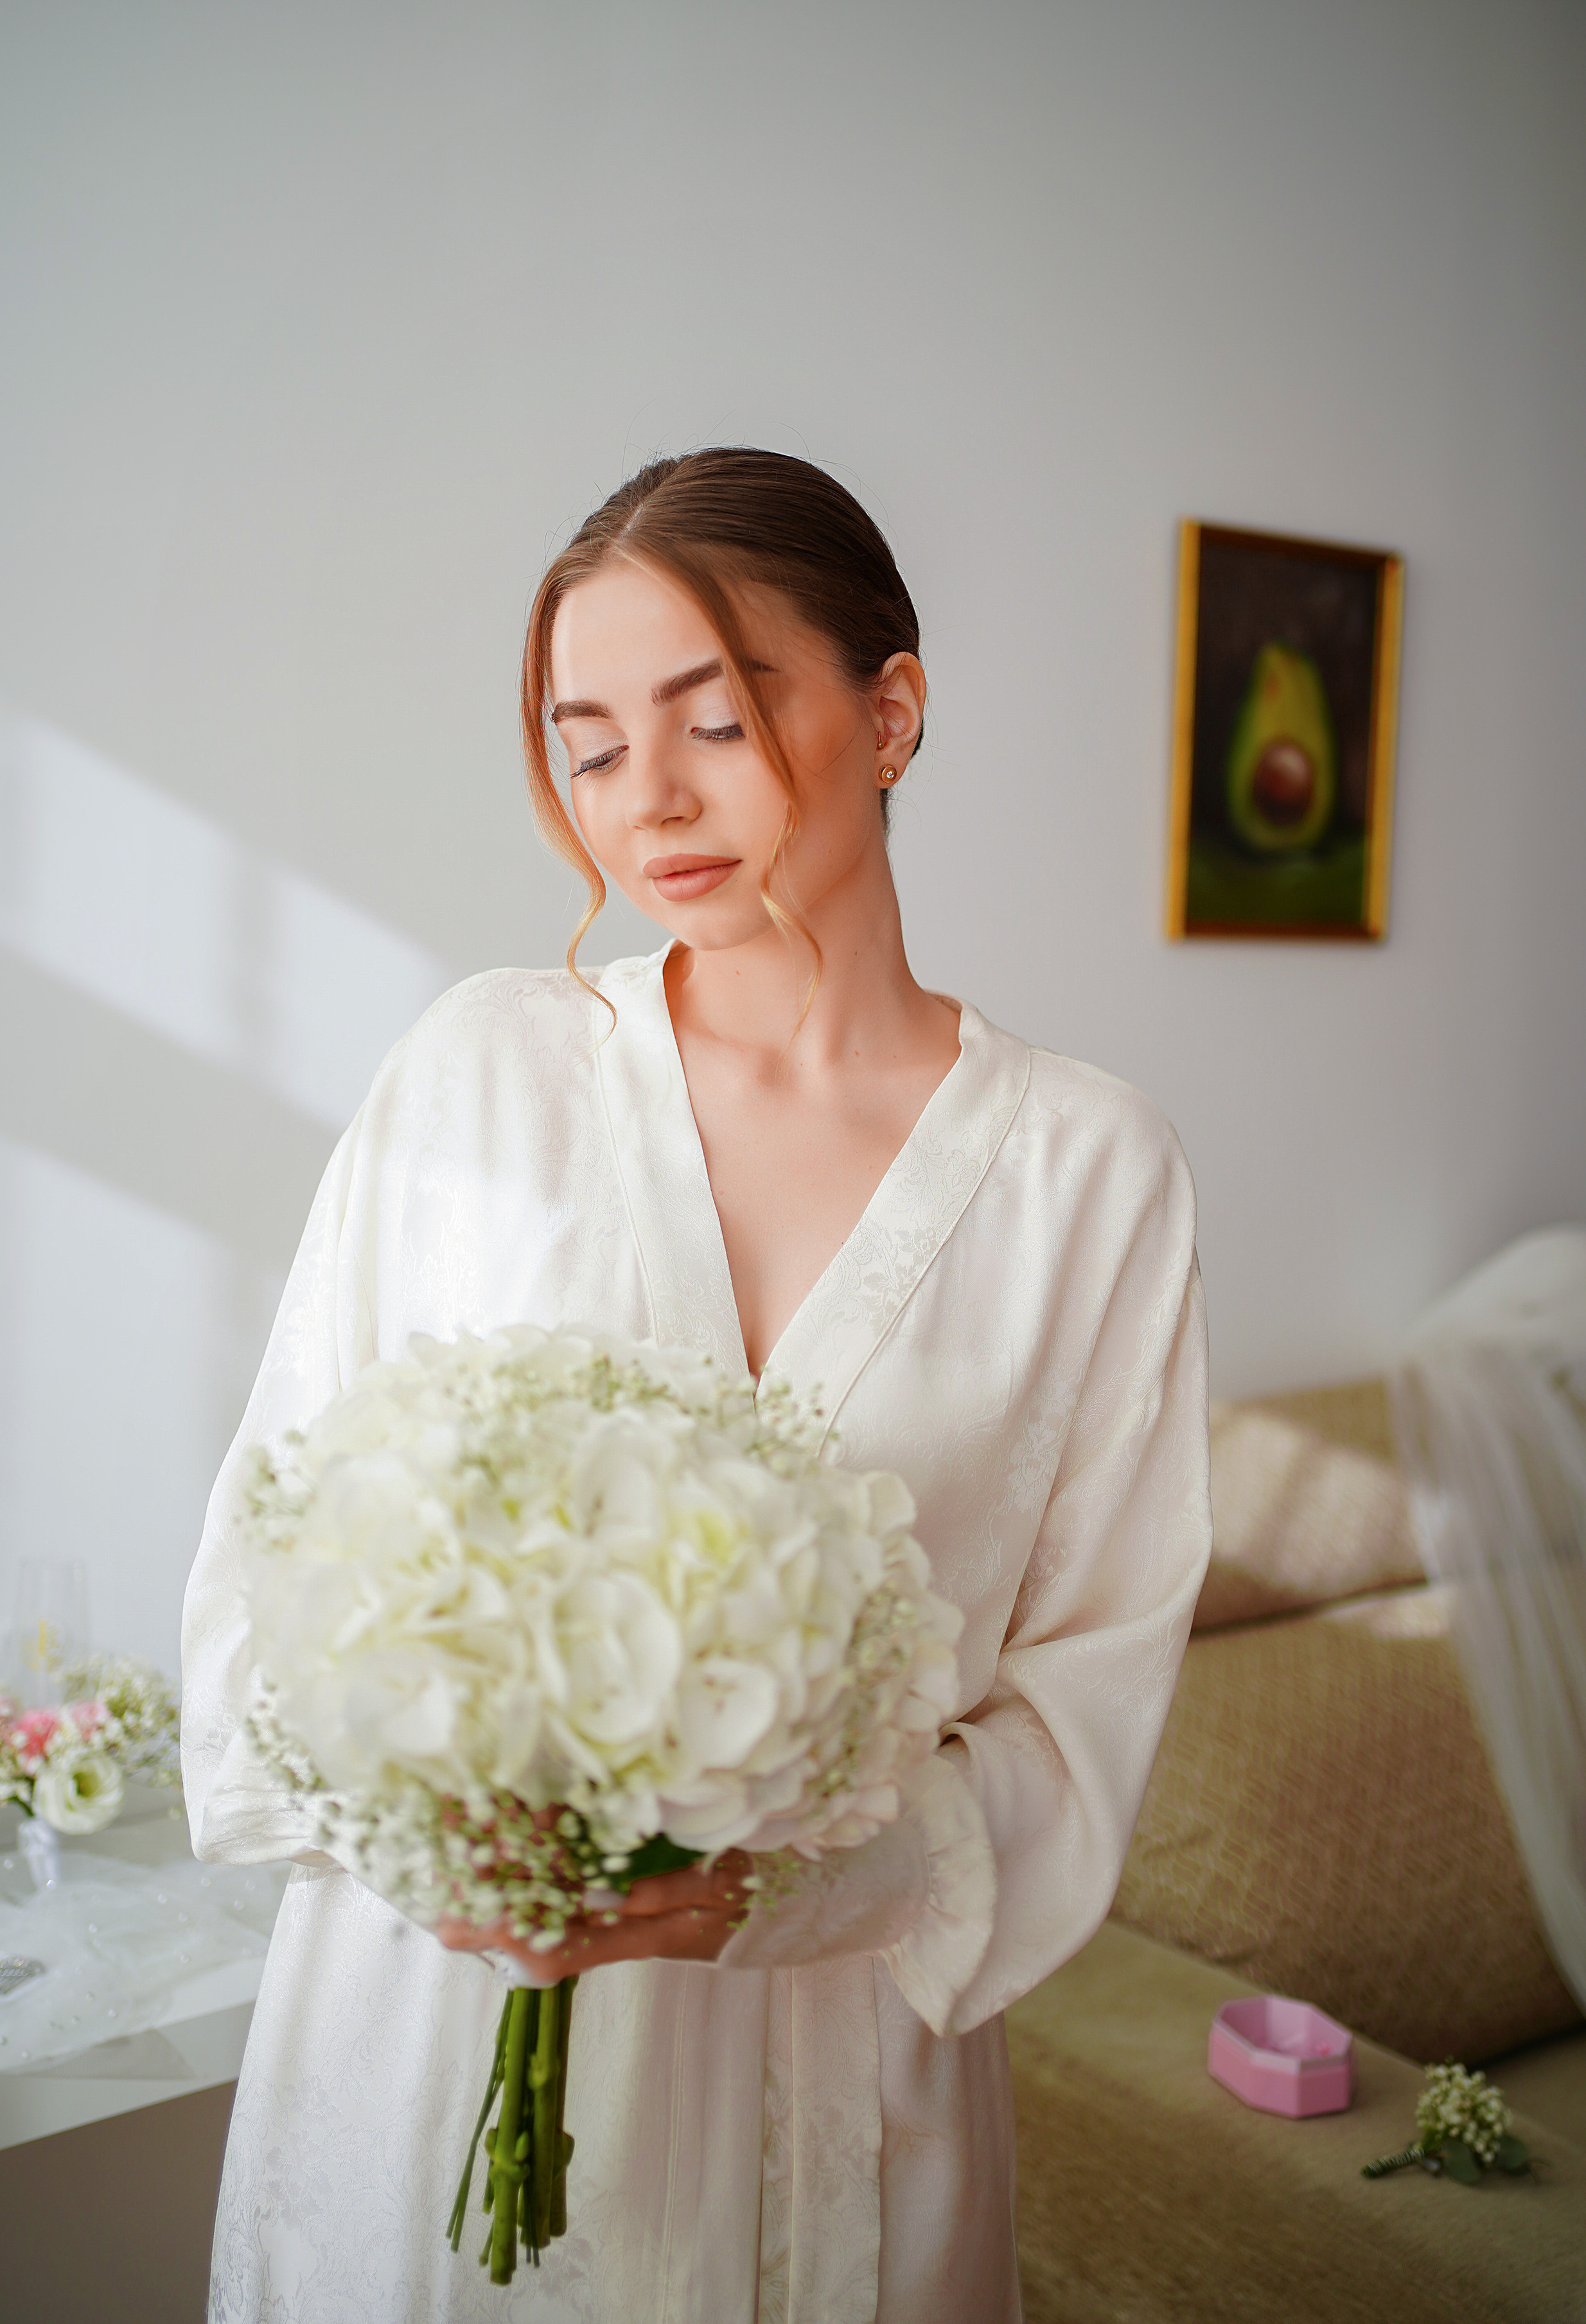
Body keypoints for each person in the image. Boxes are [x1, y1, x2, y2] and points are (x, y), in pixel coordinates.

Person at [182, 448, 1212, 2323]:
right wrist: (453, 1833)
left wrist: (789, 1885)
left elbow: (1088, 1692)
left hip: (844, 2093)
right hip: (440, 2029)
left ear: (890, 709)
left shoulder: (1089, 1170)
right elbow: (281, 1542)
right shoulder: (480, 1074)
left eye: (716, 719)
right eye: (589, 745)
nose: (644, 799)